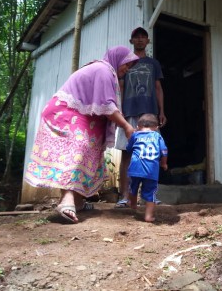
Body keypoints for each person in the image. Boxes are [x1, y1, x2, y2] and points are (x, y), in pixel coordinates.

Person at [25, 46, 139, 223]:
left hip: (78, 114)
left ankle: (77, 202)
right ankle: (67, 201)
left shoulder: (107, 72)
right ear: (118, 59)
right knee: (77, 151)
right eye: (126, 64)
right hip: (64, 112)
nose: (127, 69)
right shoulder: (103, 70)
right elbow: (107, 106)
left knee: (87, 150)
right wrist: (126, 126)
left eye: (130, 66)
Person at [115, 27, 166, 208]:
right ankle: (123, 196)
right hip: (128, 112)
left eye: (143, 37)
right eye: (136, 37)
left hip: (150, 114)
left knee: (151, 154)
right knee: (126, 153)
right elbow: (120, 88)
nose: (140, 40)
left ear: (148, 41)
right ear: (131, 41)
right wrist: (118, 112)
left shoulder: (153, 64)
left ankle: (149, 196)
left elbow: (158, 88)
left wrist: (162, 111)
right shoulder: (125, 63)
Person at [126, 113, 168, 222]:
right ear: (156, 128)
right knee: (150, 193)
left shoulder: (135, 135)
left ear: (138, 126)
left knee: (132, 188)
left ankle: (133, 204)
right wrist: (164, 164)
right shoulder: (157, 136)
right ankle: (148, 216)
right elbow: (164, 151)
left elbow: (129, 148)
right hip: (152, 170)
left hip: (135, 168)